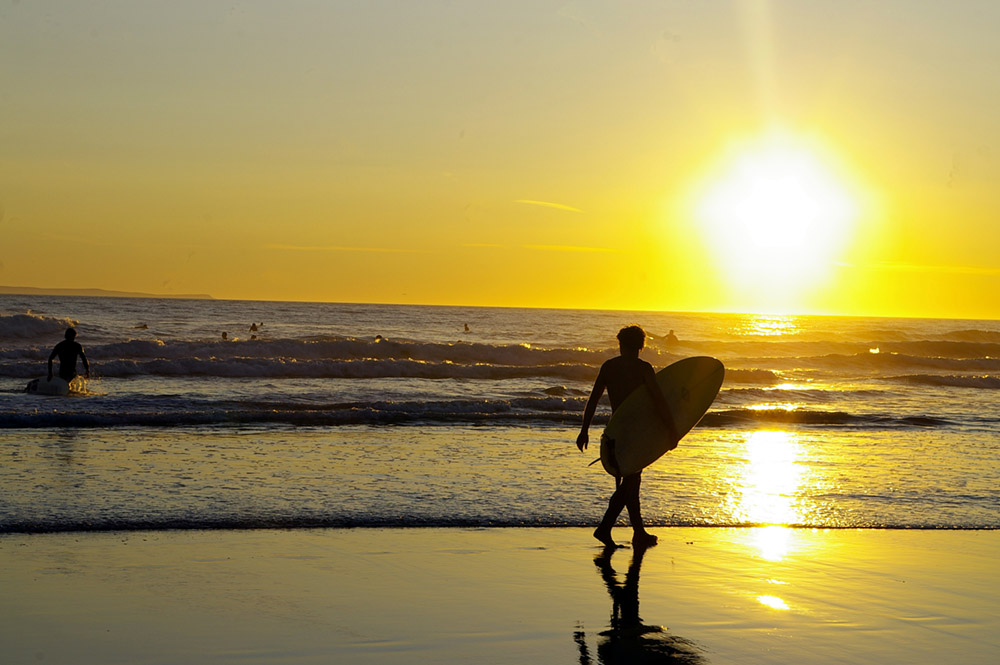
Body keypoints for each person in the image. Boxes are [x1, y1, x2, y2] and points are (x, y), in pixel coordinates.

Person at [577, 325, 677, 548]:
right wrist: (671, 429)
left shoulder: (609, 367)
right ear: (642, 346)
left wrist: (584, 430)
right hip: (635, 434)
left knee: (632, 481)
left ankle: (638, 532)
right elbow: (659, 401)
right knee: (631, 483)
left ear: (620, 343)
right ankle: (605, 527)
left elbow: (592, 400)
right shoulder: (644, 369)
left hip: (614, 431)